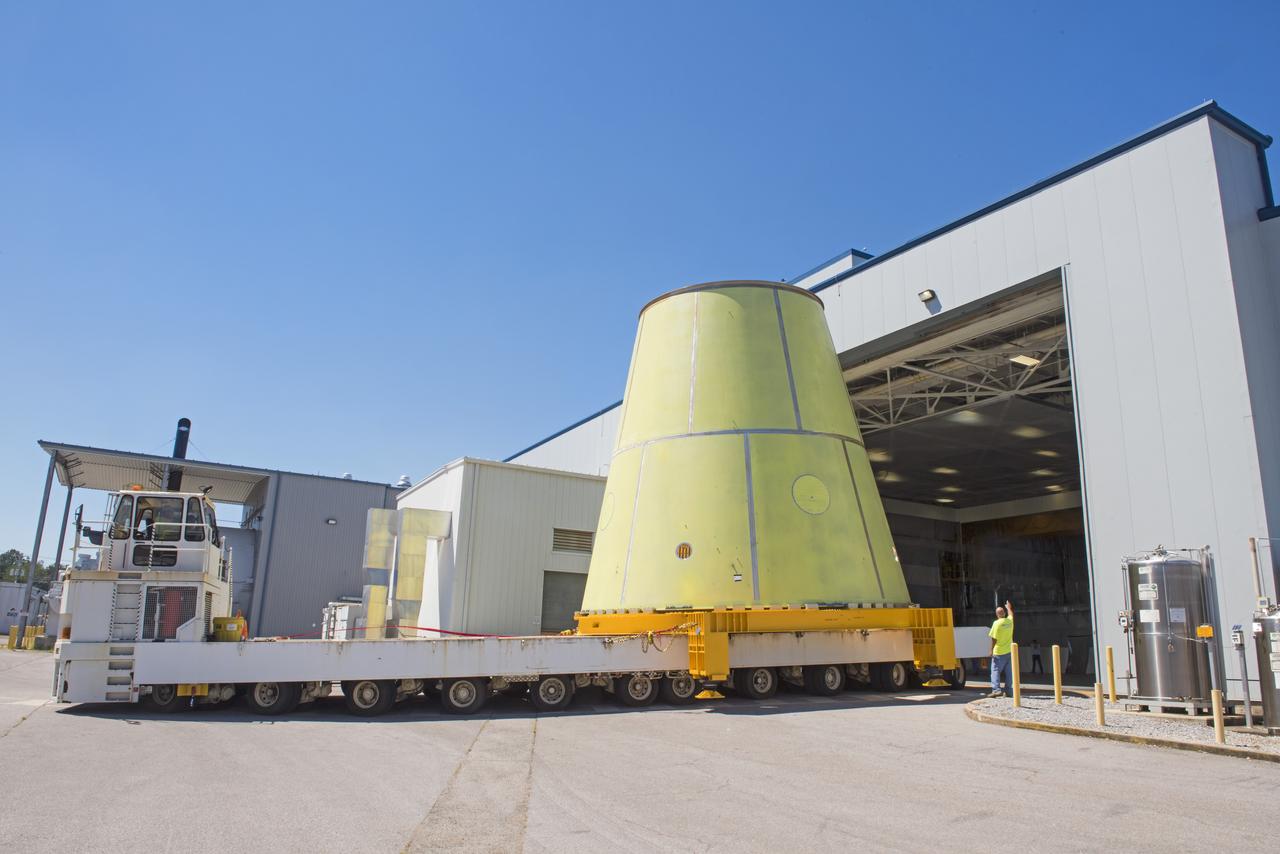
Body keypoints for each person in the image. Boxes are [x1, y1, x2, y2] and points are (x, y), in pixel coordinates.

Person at [988, 600, 1014, 697]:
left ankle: (996, 690)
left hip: (998, 652)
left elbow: (994, 638)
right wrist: (1009, 608)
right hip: (1010, 651)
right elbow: (1011, 614)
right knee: (1009, 673)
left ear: (997, 614)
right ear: (1004, 613)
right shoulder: (1010, 621)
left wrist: (991, 650)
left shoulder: (996, 623)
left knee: (995, 671)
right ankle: (1009, 691)